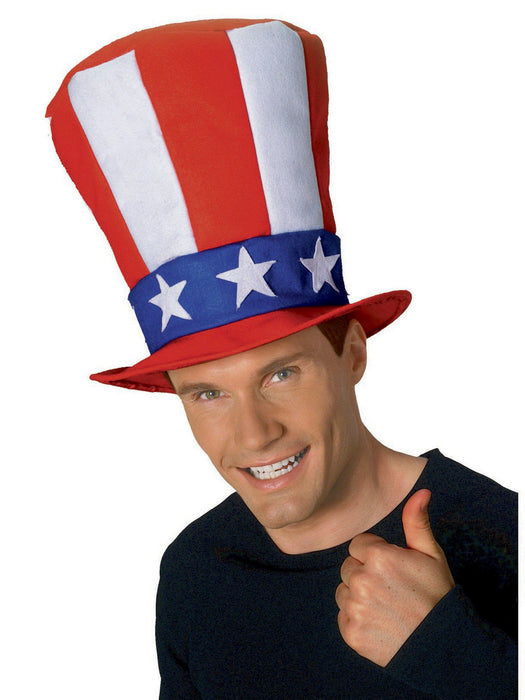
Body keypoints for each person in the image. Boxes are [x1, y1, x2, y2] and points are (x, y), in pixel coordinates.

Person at [46, 18, 517, 699]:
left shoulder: (501, 538)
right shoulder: (196, 572)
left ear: (351, 353)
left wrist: (450, 652)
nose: (253, 434)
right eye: (207, 392)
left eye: (280, 373)